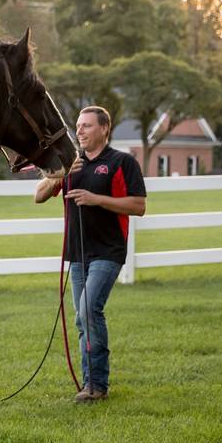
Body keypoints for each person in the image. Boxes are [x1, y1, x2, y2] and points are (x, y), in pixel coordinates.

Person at [33, 106, 146, 402]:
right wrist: (60, 175)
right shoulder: (72, 162)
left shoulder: (122, 162)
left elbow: (138, 206)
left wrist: (95, 199)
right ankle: (91, 384)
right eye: (78, 126)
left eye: (87, 126)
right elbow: (38, 196)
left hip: (108, 251)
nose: (80, 131)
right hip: (77, 254)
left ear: (104, 129)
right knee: (83, 319)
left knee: (88, 310)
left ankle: (98, 386)